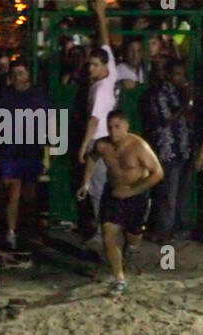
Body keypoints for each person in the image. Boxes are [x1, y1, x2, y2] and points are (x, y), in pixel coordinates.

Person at [79, 109, 163, 295]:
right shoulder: (103, 145)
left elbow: (158, 173)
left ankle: (132, 249)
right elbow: (92, 158)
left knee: (132, 236)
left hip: (137, 195)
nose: (113, 131)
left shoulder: (139, 146)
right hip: (113, 194)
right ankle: (119, 279)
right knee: (108, 234)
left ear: (126, 126)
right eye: (110, 127)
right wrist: (86, 182)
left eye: (118, 127)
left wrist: (133, 191)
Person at [0, 59, 53, 250]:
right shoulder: (4, 95)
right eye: (13, 75)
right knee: (12, 192)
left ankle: (27, 228)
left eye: (20, 74)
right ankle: (11, 231)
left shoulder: (38, 95)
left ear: (28, 75)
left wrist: (52, 145)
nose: (16, 78)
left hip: (31, 148)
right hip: (10, 148)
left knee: (29, 192)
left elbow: (49, 120)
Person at [77, 0, 120, 228]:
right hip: (109, 139)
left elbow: (93, 120)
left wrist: (84, 145)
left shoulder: (101, 89)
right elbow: (105, 42)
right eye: (89, 65)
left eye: (94, 65)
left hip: (99, 139)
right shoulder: (110, 71)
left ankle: (102, 228)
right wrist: (101, 15)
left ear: (102, 66)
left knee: (96, 187)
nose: (90, 69)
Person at [145, 57, 195, 240]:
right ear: (168, 75)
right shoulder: (160, 93)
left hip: (184, 148)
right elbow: (165, 119)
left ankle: (180, 228)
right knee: (168, 195)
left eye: (183, 75)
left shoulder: (180, 92)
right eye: (177, 74)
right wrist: (185, 104)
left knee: (182, 193)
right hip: (169, 149)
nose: (181, 78)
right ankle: (163, 231)